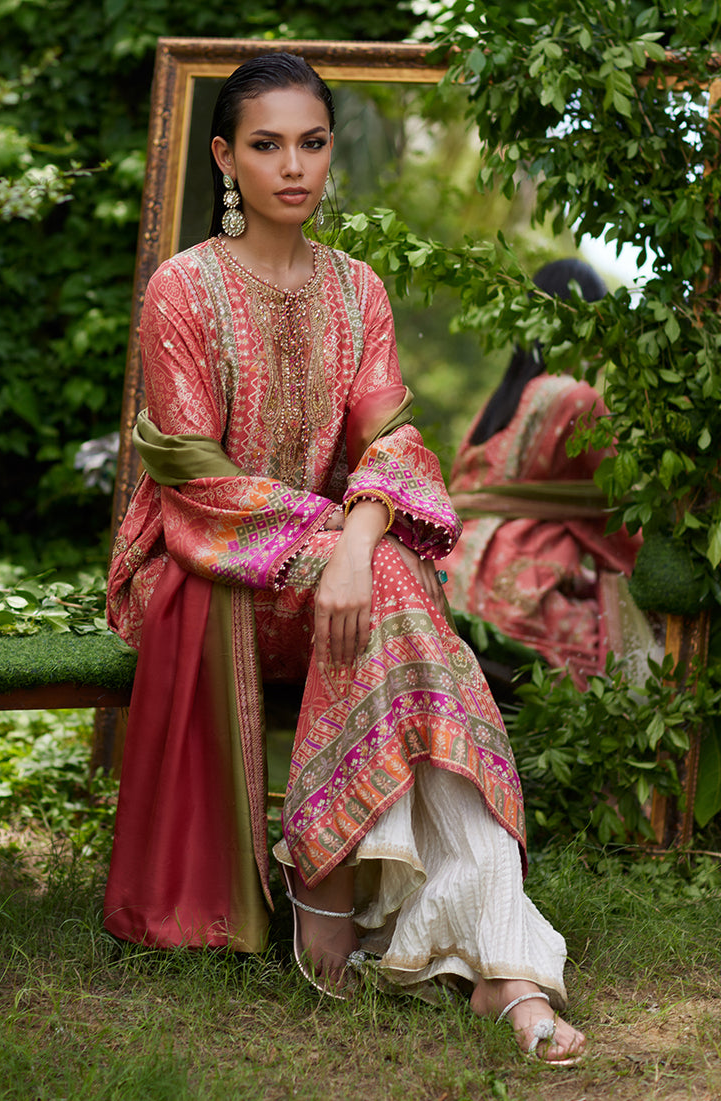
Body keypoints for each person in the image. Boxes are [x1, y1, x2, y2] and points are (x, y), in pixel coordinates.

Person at [103, 53, 586, 1066]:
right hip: (197, 575)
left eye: (312, 142)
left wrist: (357, 543)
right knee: (403, 596)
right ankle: (406, 919)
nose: (293, 166)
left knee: (394, 584)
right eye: (266, 144)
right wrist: (331, 543)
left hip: (343, 581)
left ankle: (485, 958)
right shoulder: (180, 291)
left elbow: (393, 445)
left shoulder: (355, 289)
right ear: (224, 157)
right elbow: (190, 472)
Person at [439, 259, 659, 691]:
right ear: (580, 323)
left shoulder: (497, 404)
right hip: (519, 592)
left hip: (448, 576)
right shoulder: (578, 399)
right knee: (631, 670)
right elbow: (620, 518)